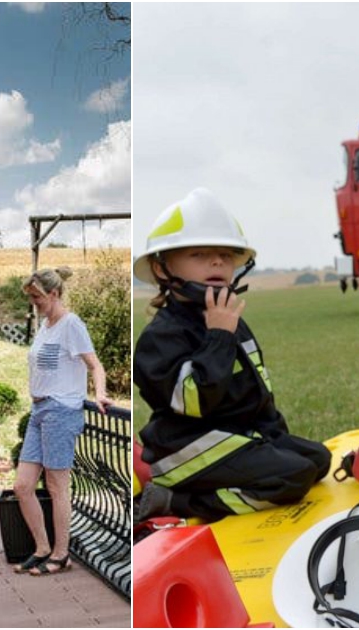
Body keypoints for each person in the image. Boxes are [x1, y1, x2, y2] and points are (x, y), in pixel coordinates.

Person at [132, 188, 330, 523]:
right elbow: (195, 402)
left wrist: (275, 441)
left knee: (319, 460)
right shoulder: (161, 336)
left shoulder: (229, 321)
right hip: (185, 450)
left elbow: (258, 393)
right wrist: (219, 336)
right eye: (199, 254)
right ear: (162, 268)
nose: (217, 262)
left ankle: (236, 477)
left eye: (226, 255)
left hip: (233, 439)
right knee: (292, 477)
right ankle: (176, 500)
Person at [11, 267, 111, 576]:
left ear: (54, 294)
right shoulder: (45, 325)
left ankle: (61, 553)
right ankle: (42, 547)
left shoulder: (71, 325)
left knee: (57, 486)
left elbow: (94, 365)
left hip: (61, 410)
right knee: (23, 486)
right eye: (30, 297)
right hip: (40, 410)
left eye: (37, 297)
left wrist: (101, 393)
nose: (34, 303)